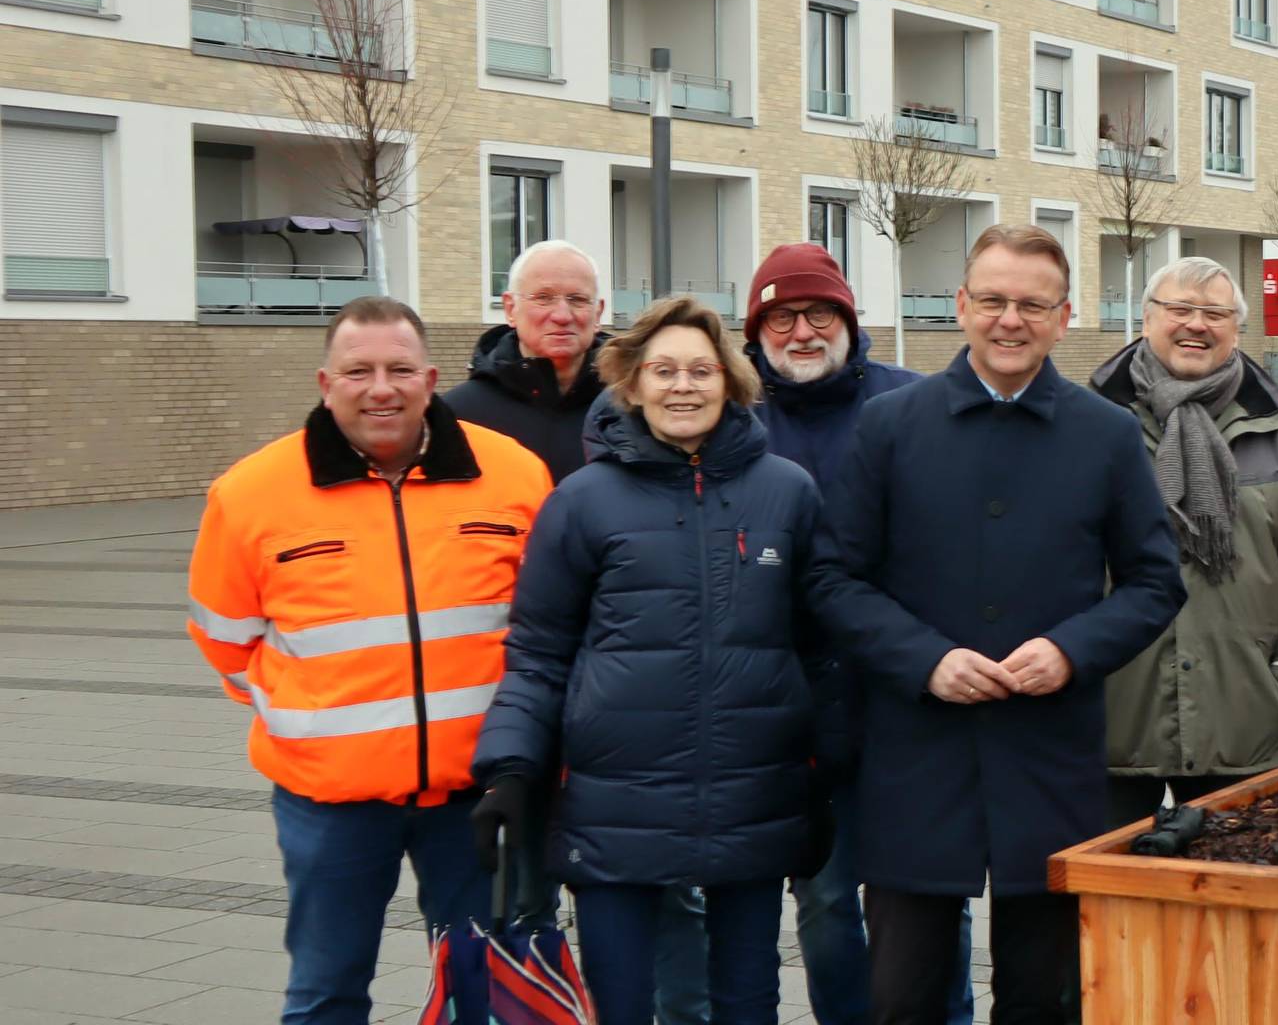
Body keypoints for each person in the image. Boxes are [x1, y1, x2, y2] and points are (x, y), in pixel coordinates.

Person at [808, 224, 1185, 1025]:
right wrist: (925, 661)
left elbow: (1155, 583)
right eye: (992, 300)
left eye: (1031, 304)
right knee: (901, 996)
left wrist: (1071, 650)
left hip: (1049, 754)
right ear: (960, 306)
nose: (1010, 320)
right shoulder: (889, 425)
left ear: (1063, 315)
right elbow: (834, 578)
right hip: (916, 752)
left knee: (1041, 996)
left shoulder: (1107, 434)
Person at [186, 296, 553, 1024]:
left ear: (430, 378)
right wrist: (311, 724)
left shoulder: (512, 475)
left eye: (398, 369)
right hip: (331, 807)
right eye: (359, 371)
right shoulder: (251, 494)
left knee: (483, 992)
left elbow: (546, 629)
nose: (380, 387)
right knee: (326, 993)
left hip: (475, 798)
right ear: (325, 384)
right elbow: (224, 640)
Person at [469, 297, 833, 1024]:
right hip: (614, 808)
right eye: (663, 370)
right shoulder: (581, 501)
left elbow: (822, 644)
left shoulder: (786, 492)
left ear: (731, 383)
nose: (683, 386)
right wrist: (509, 766)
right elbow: (538, 652)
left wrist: (835, 761)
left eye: (702, 370)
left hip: (751, 800)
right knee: (623, 1004)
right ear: (630, 385)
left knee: (748, 1003)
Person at [651, 244, 925, 1025]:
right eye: (780, 318)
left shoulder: (910, 406)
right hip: (778, 709)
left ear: (848, 318)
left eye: (818, 313)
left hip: (903, 698)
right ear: (755, 334)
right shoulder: (729, 428)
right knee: (828, 902)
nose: (801, 332)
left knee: (922, 898)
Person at [1092, 257, 1278, 826]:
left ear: (1237, 328)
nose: (1197, 324)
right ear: (1146, 319)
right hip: (1110, 721)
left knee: (1236, 905)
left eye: (1215, 313)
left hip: (1245, 718)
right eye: (1180, 310)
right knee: (1106, 909)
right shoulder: (1089, 422)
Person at [446, 240, 611, 481]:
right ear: (510, 308)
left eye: (577, 299)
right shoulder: (460, 414)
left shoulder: (632, 407)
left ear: (598, 313)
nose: (562, 316)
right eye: (544, 298)